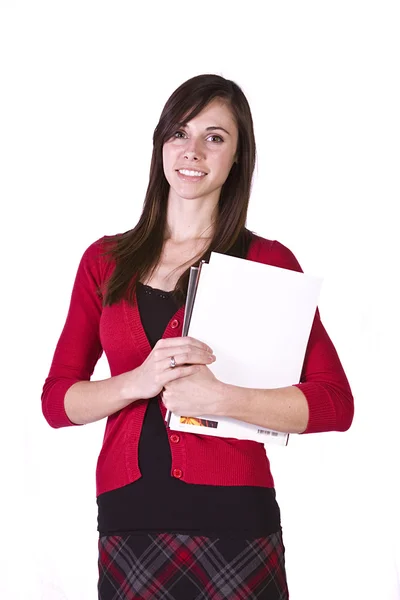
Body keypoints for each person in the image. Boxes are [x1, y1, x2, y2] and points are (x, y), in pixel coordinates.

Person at [42, 74, 354, 600]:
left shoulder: (268, 263)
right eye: (179, 134)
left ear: (237, 156)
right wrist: (137, 382)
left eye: (215, 137)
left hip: (236, 521)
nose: (193, 151)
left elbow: (334, 404)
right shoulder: (104, 261)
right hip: (130, 520)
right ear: (161, 145)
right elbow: (56, 401)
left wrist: (221, 399)